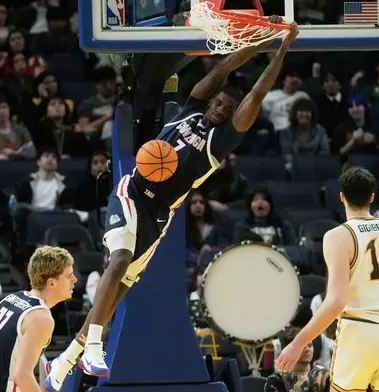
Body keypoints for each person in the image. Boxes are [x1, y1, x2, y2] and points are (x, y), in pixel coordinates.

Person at [45, 19, 299, 390]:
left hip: (158, 216)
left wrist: (283, 49)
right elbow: (225, 66)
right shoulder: (191, 108)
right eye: (219, 103)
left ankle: (67, 360)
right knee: (117, 261)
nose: (220, 109)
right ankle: (94, 346)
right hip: (131, 193)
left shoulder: (219, 145)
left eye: (227, 109)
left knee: (119, 290)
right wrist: (262, 40)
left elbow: (256, 96)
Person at [276, 167, 379, 392]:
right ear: (372, 197)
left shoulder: (338, 236)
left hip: (360, 332)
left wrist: (298, 342)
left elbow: (336, 301)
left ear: (342, 196)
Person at [0, 246, 76, 392]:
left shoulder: (11, 298)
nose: (74, 279)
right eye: (69, 276)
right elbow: (22, 375)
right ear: (52, 283)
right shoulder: (41, 317)